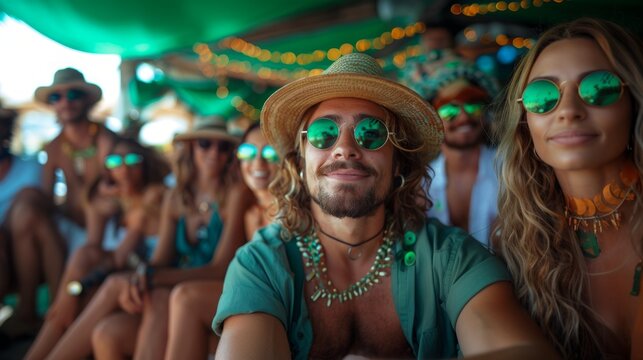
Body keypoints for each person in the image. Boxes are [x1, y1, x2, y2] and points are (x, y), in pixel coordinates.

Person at [213, 53, 557, 359]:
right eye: (323, 134)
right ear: (300, 160)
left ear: (398, 165)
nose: (344, 148)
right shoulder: (262, 264)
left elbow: (520, 350)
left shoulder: (451, 259)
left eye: (372, 133)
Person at [38, 117, 250, 360]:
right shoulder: (176, 197)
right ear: (191, 148)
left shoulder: (235, 193)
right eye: (205, 144)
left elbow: (221, 268)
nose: (214, 152)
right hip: (171, 290)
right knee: (108, 331)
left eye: (223, 147)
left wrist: (154, 277)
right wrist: (143, 276)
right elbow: (160, 259)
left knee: (132, 288)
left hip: (207, 293)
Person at [493, 18, 643, 359]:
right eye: (543, 95)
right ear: (524, 121)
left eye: (599, 88)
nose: (569, 111)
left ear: (633, 101)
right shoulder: (514, 248)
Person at [26, 137, 169, 360]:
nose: (123, 167)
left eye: (132, 159)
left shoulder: (153, 197)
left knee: (72, 298)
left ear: (145, 164)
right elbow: (92, 245)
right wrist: (97, 205)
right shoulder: (109, 201)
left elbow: (120, 258)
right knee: (83, 259)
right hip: (111, 279)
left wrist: (74, 289)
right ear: (106, 169)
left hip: (142, 282)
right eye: (114, 162)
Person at [164, 122, 279, 360]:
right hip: (251, 298)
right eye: (248, 153)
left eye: (271, 153)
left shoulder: (295, 210)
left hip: (280, 304)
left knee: (186, 298)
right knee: (112, 331)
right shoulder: (250, 210)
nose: (258, 163)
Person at [401, 49, 500, 246]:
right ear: (430, 120)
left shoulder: (514, 169)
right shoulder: (419, 185)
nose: (464, 117)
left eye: (473, 106)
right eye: (449, 110)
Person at [36, 67, 118, 250]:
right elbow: (47, 198)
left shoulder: (105, 139)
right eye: (56, 97)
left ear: (87, 100)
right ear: (52, 104)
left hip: (109, 228)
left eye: (73, 95)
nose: (65, 102)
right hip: (70, 227)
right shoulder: (54, 147)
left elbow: (114, 187)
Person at [0, 105, 60, 338]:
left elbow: (49, 210)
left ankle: (33, 313)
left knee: (28, 209)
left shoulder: (32, 169)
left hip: (26, 249)